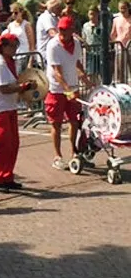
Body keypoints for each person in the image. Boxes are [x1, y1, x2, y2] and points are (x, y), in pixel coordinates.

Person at [0, 33, 34, 192]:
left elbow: (11, 85)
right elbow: (3, 88)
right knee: (1, 143)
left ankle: (6, 176)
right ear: (2, 46)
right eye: (11, 46)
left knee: (12, 144)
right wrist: (23, 88)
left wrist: (23, 90)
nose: (14, 49)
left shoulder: (9, 61)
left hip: (8, 106)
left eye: (15, 46)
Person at [45, 16, 89, 170]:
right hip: (57, 90)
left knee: (74, 122)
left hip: (73, 87)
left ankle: (74, 152)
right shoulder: (53, 45)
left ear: (72, 30)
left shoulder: (76, 43)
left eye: (66, 29)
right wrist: (67, 89)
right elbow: (57, 72)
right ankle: (58, 156)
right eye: (61, 29)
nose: (62, 32)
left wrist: (86, 78)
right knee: (56, 123)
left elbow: (77, 62)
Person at [81, 7, 101, 82]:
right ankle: (93, 87)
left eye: (94, 14)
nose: (92, 16)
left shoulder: (101, 25)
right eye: (90, 14)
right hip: (90, 52)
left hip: (100, 51)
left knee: (101, 72)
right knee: (91, 71)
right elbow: (84, 37)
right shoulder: (85, 25)